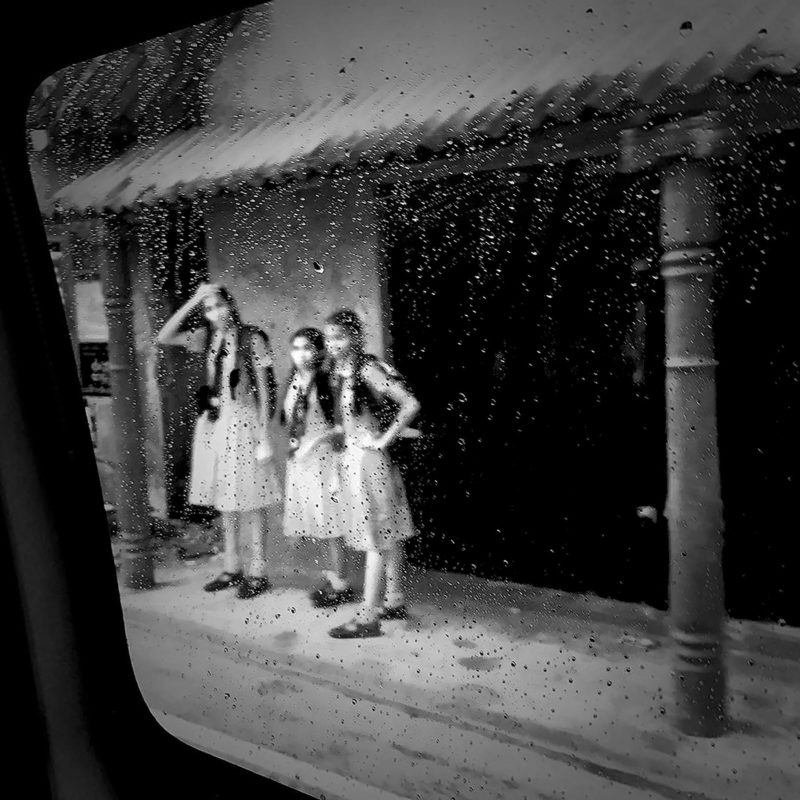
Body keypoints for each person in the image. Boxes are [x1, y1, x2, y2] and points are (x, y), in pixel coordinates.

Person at [156, 282, 281, 599]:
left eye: (219, 305)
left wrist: (264, 435)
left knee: (251, 500)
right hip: (217, 423)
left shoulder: (252, 337)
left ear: (231, 304)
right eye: (209, 309)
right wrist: (194, 298)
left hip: (245, 420)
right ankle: (231, 566)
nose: (215, 313)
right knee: (226, 501)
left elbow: (266, 390)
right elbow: (164, 336)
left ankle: (258, 571)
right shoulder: (206, 338)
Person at [323, 309, 420, 638]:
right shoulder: (340, 372)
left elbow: (410, 404)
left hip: (368, 460)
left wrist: (384, 440)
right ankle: (393, 599)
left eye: (339, 336)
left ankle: (368, 617)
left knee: (375, 536)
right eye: (329, 337)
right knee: (384, 531)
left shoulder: (368, 368)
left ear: (355, 337)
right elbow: (343, 423)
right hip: (354, 458)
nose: (333, 343)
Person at [280, 328, 356, 608]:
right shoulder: (294, 381)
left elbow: (340, 426)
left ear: (320, 350)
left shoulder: (326, 382)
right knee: (316, 523)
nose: (301, 354)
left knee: (330, 522)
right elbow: (290, 420)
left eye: (308, 348)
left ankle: (341, 583)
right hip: (300, 459)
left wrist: (315, 443)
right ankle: (332, 576)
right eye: (296, 348)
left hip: (323, 458)